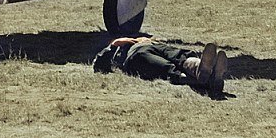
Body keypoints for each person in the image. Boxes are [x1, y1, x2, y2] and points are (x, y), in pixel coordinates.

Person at [93, 37, 229, 96]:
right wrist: (114, 45)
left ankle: (201, 67)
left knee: (180, 56)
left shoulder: (144, 37)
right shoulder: (117, 48)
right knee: (165, 68)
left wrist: (148, 40)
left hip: (155, 46)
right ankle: (211, 80)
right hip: (135, 54)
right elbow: (98, 66)